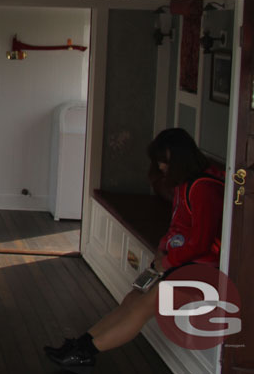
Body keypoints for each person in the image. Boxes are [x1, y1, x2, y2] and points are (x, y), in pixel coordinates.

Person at [45, 128, 225, 370]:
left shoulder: (204, 188)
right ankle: (82, 344)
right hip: (179, 261)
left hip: (201, 269)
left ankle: (87, 353)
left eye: (165, 161)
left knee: (142, 306)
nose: (161, 167)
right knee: (133, 298)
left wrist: (169, 262)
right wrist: (162, 250)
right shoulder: (187, 182)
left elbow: (201, 242)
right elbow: (179, 226)